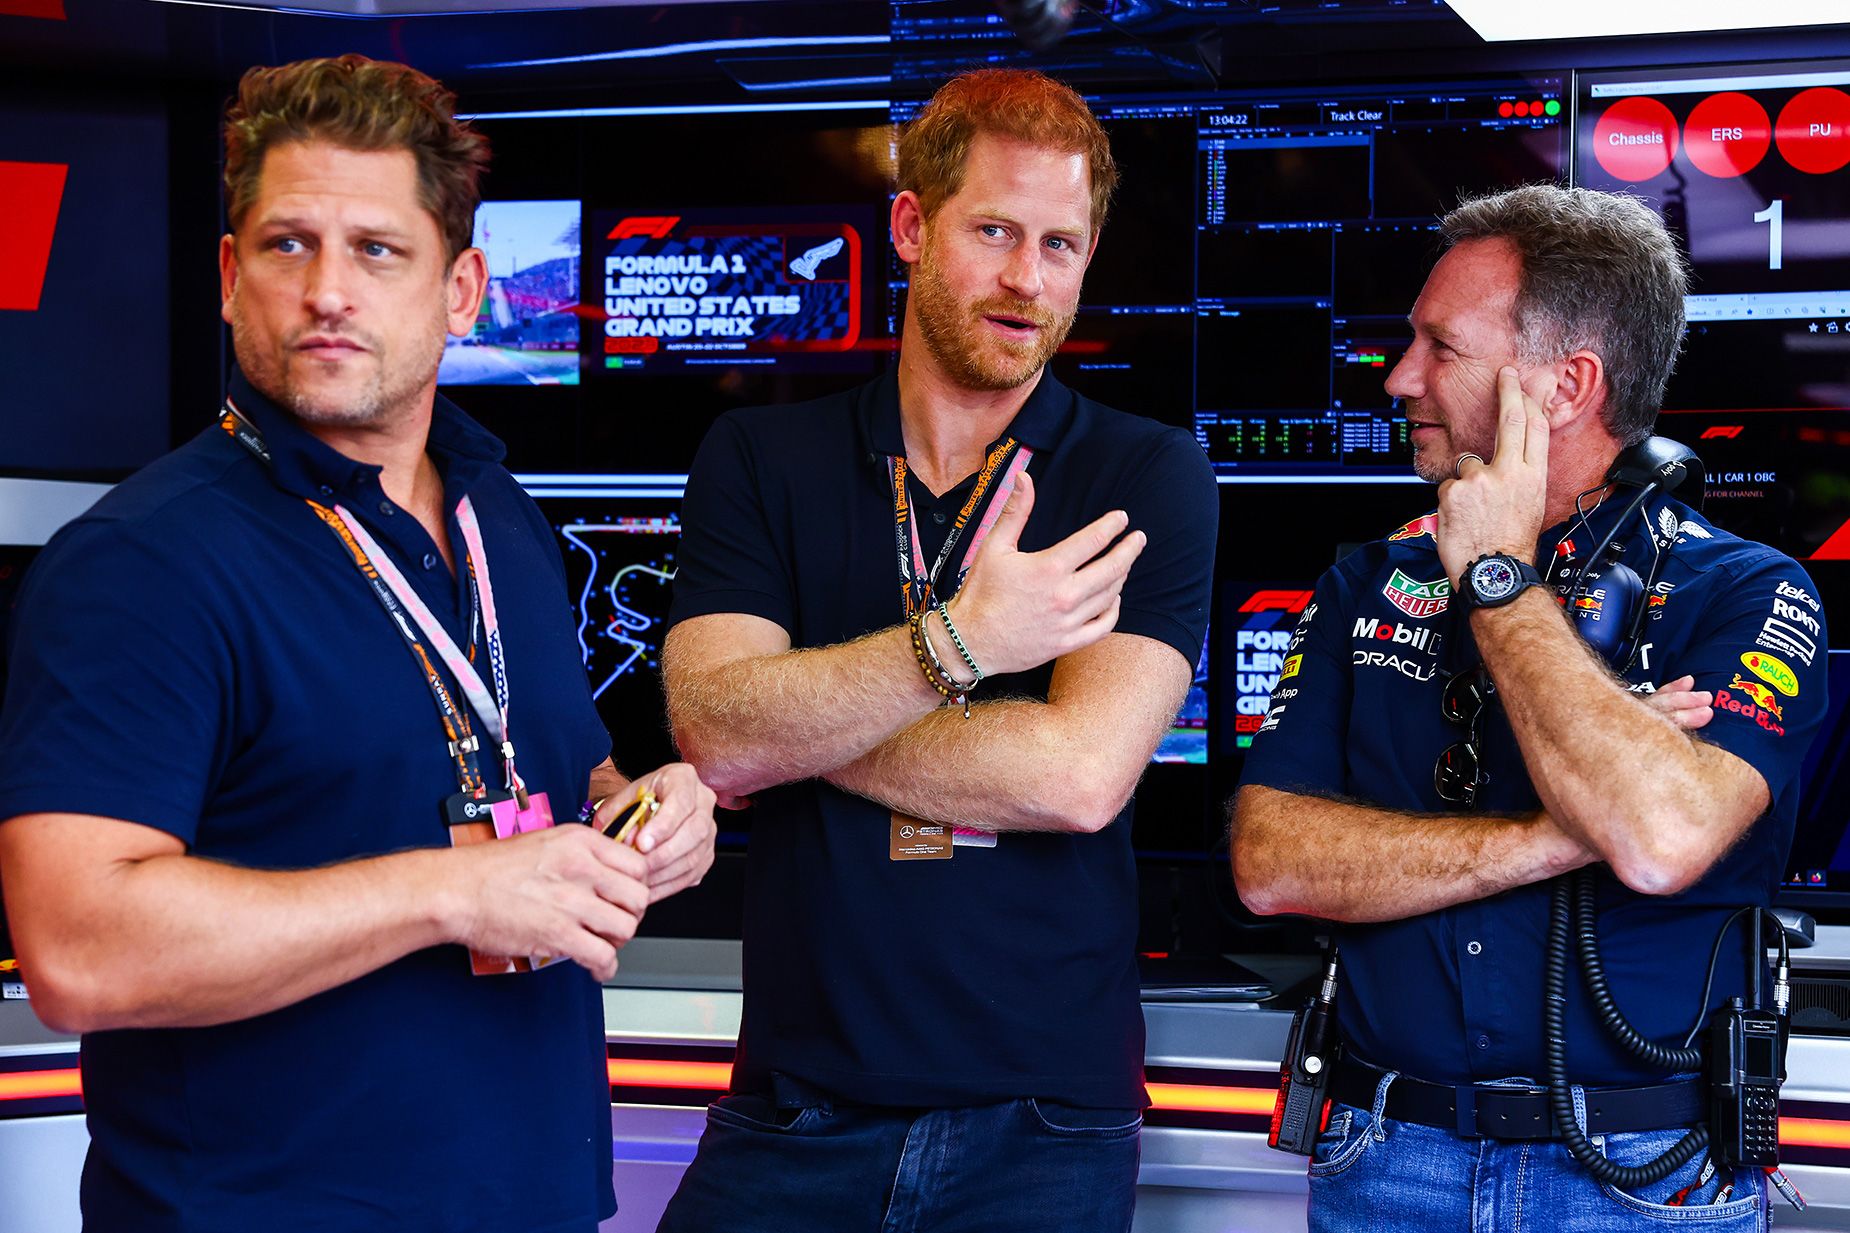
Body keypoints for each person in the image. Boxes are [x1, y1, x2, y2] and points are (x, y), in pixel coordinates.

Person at [0, 55, 717, 1233]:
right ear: (230, 278)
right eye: (289, 245)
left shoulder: (503, 519)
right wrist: (453, 895)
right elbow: (81, 950)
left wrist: (636, 817)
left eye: (378, 251)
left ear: (463, 289)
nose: (328, 290)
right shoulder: (143, 561)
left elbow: (546, 776)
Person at [654, 68, 1216, 1233]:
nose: (1026, 278)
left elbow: (1075, 779)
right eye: (994, 231)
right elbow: (711, 731)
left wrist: (793, 726)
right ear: (910, 227)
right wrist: (965, 643)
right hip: (791, 1111)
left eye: (1059, 245)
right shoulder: (761, 456)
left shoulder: (1143, 472)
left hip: (1042, 1126)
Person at [1231, 183, 1827, 1230]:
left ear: (1562, 386)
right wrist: (1563, 833)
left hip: (1646, 1179)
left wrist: (1497, 582)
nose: (1396, 378)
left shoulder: (1747, 591)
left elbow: (1656, 842)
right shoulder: (1365, 580)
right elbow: (1270, 864)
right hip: (1382, 1160)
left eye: (1437, 347)